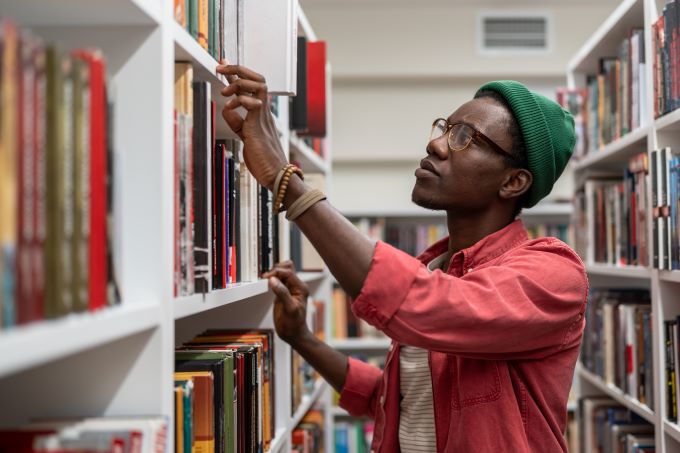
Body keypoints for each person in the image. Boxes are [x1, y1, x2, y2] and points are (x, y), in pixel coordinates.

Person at [217, 63, 587, 453]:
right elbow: (396, 401)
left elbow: (427, 305)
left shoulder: (553, 273)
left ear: (513, 182)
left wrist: (285, 179)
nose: (436, 145)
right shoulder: (432, 268)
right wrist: (301, 339)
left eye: (465, 138)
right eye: (445, 128)